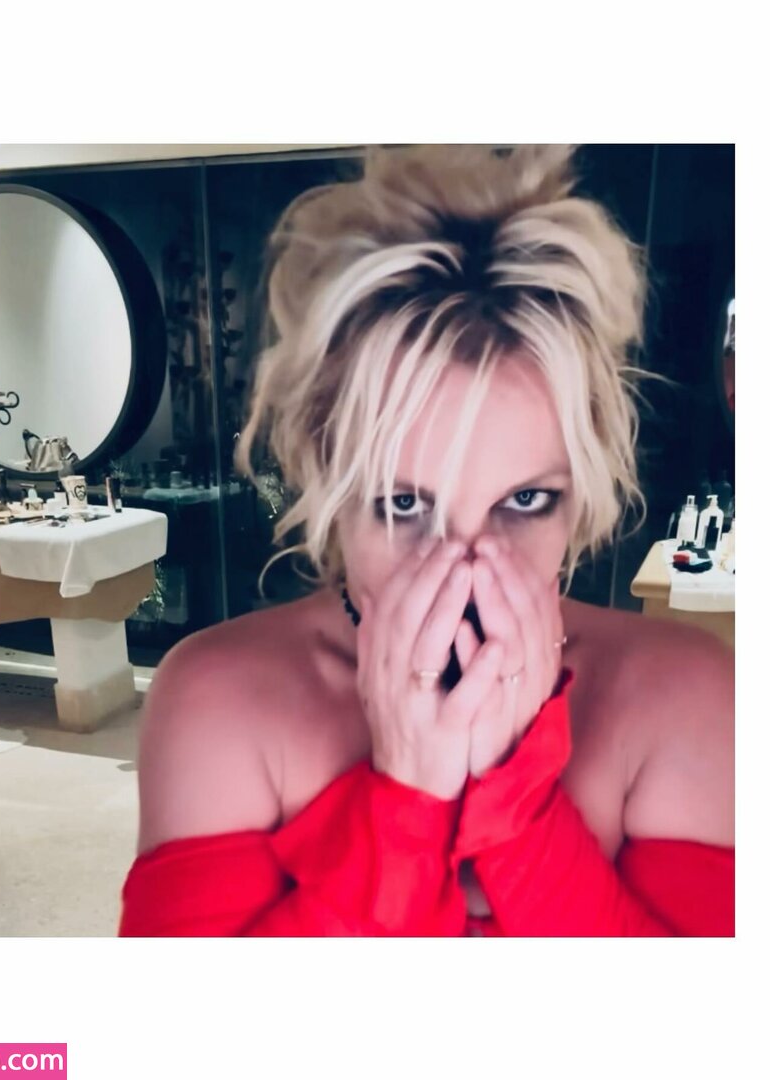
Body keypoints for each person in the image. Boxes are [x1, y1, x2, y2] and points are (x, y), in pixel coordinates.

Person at [119, 145, 734, 936]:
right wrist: (406, 804)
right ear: (328, 485)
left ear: (577, 496)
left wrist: (515, 801)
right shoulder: (217, 697)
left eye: (523, 500)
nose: (466, 570)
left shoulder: (688, 695)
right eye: (404, 503)